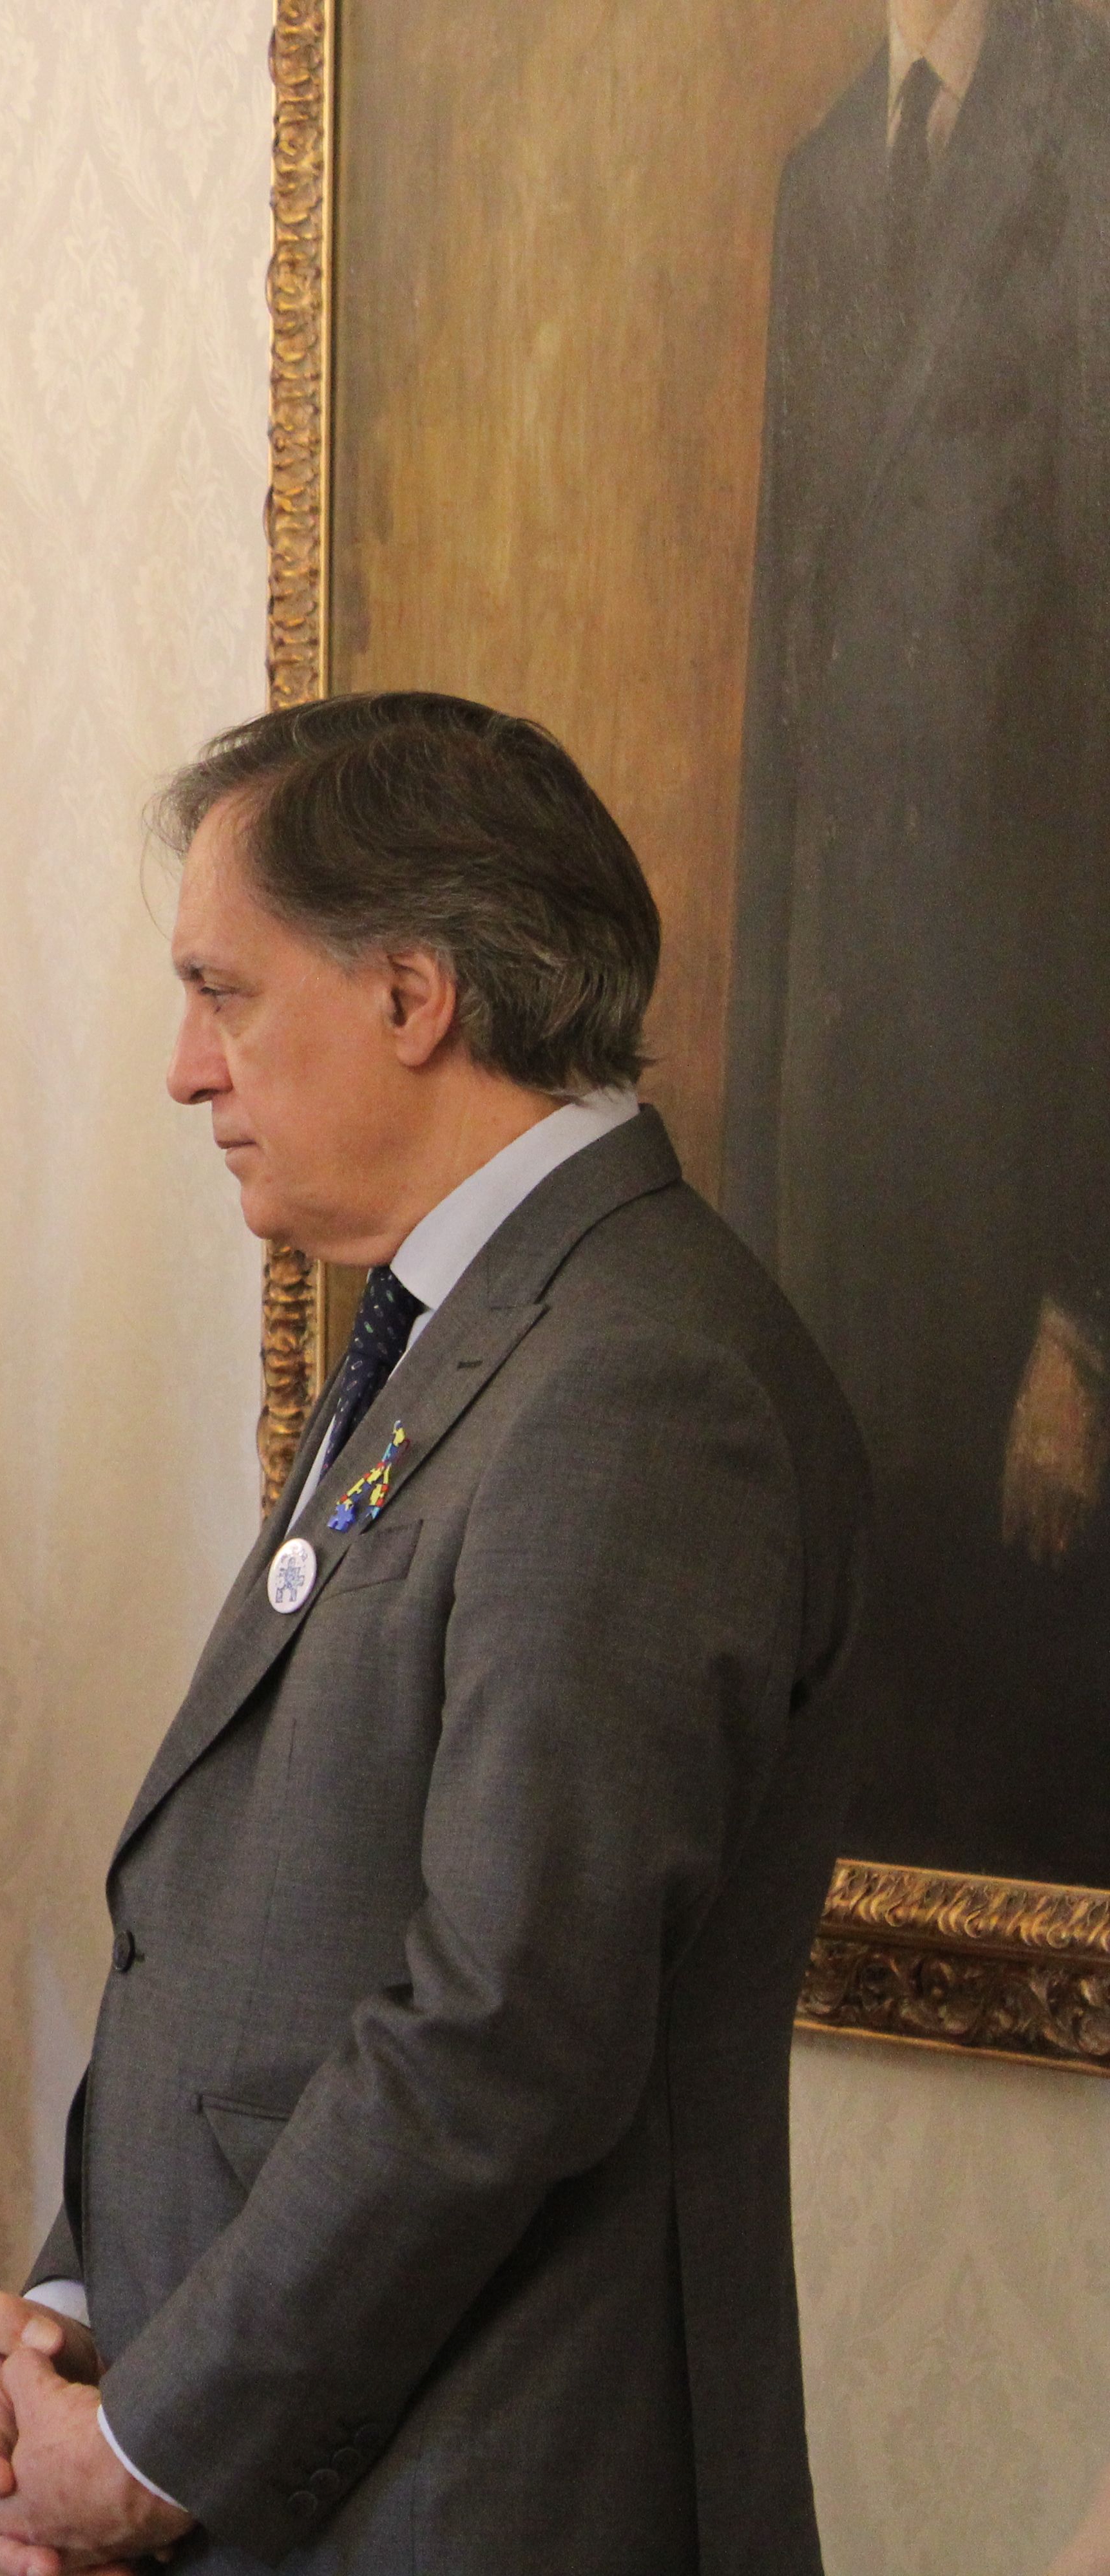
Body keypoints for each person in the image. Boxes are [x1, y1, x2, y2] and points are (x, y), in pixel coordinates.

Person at [0, 696, 868, 2575]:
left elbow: (505, 2026)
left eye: (225, 990)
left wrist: (152, 2439)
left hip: (496, 2489)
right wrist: (94, 2320)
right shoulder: (470, 1326)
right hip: (324, 2461)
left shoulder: (638, 1379)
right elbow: (260, 1922)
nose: (187, 1069)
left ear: (413, 996)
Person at [726, 0, 1110, 1889]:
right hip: (846, 1149)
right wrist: (756, 1224)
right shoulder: (822, 177)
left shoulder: (1094, 106)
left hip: (1026, 1130)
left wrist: (1085, 1309)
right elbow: (779, 736)